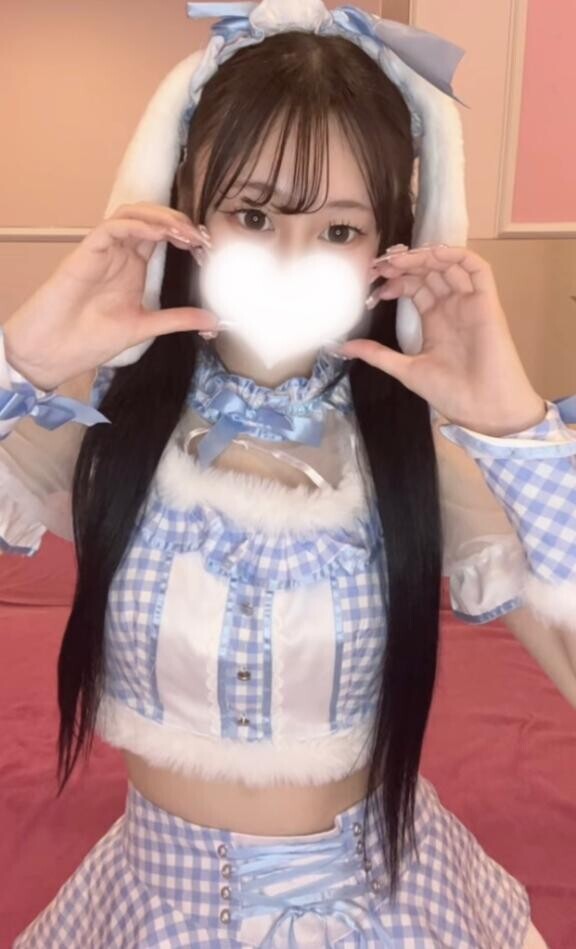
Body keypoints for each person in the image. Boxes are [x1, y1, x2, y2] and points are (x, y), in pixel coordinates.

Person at [2, 1, 573, 945]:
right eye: (254, 213)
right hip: (154, 906)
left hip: (384, 907)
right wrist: (22, 358)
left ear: (390, 248)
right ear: (189, 216)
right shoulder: (104, 435)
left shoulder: (416, 462)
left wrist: (513, 423)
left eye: (341, 230)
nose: (291, 258)